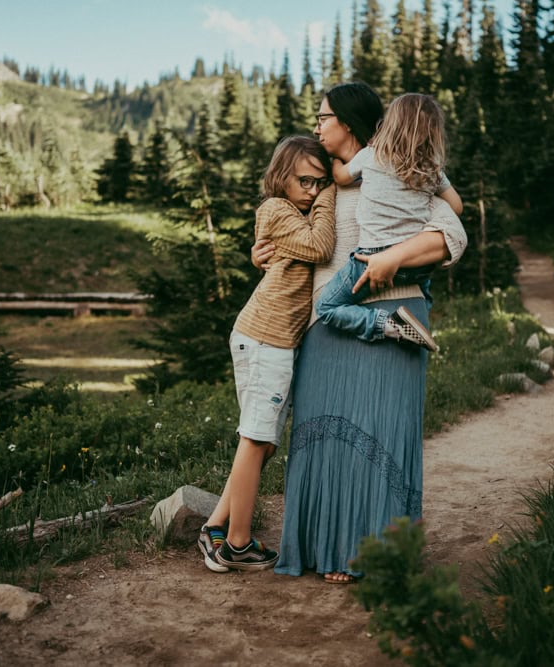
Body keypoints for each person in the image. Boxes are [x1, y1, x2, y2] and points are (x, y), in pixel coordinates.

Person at [264, 83, 467, 583]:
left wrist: (393, 258)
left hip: (397, 316)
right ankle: (321, 547)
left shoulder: (404, 171)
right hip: (325, 326)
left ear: (348, 124)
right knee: (324, 441)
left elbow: (453, 233)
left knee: (380, 438)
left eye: (323, 116)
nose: (317, 125)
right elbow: (289, 235)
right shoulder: (322, 185)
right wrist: (264, 251)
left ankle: (371, 554)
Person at [197, 136, 336, 573]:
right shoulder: (276, 208)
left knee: (262, 444)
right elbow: (320, 248)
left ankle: (215, 526)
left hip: (272, 341)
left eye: (320, 182)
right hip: (264, 339)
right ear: (281, 177)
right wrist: (332, 197)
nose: (313, 189)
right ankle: (236, 545)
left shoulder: (293, 213)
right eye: (306, 181)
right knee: (256, 438)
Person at [315, 93, 463, 352]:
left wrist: (336, 161)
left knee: (327, 307)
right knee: (423, 290)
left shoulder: (371, 156)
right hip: (416, 265)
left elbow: (340, 177)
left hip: (372, 259)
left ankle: (387, 324)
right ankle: (421, 320)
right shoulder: (431, 169)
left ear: (390, 124)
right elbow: (457, 206)